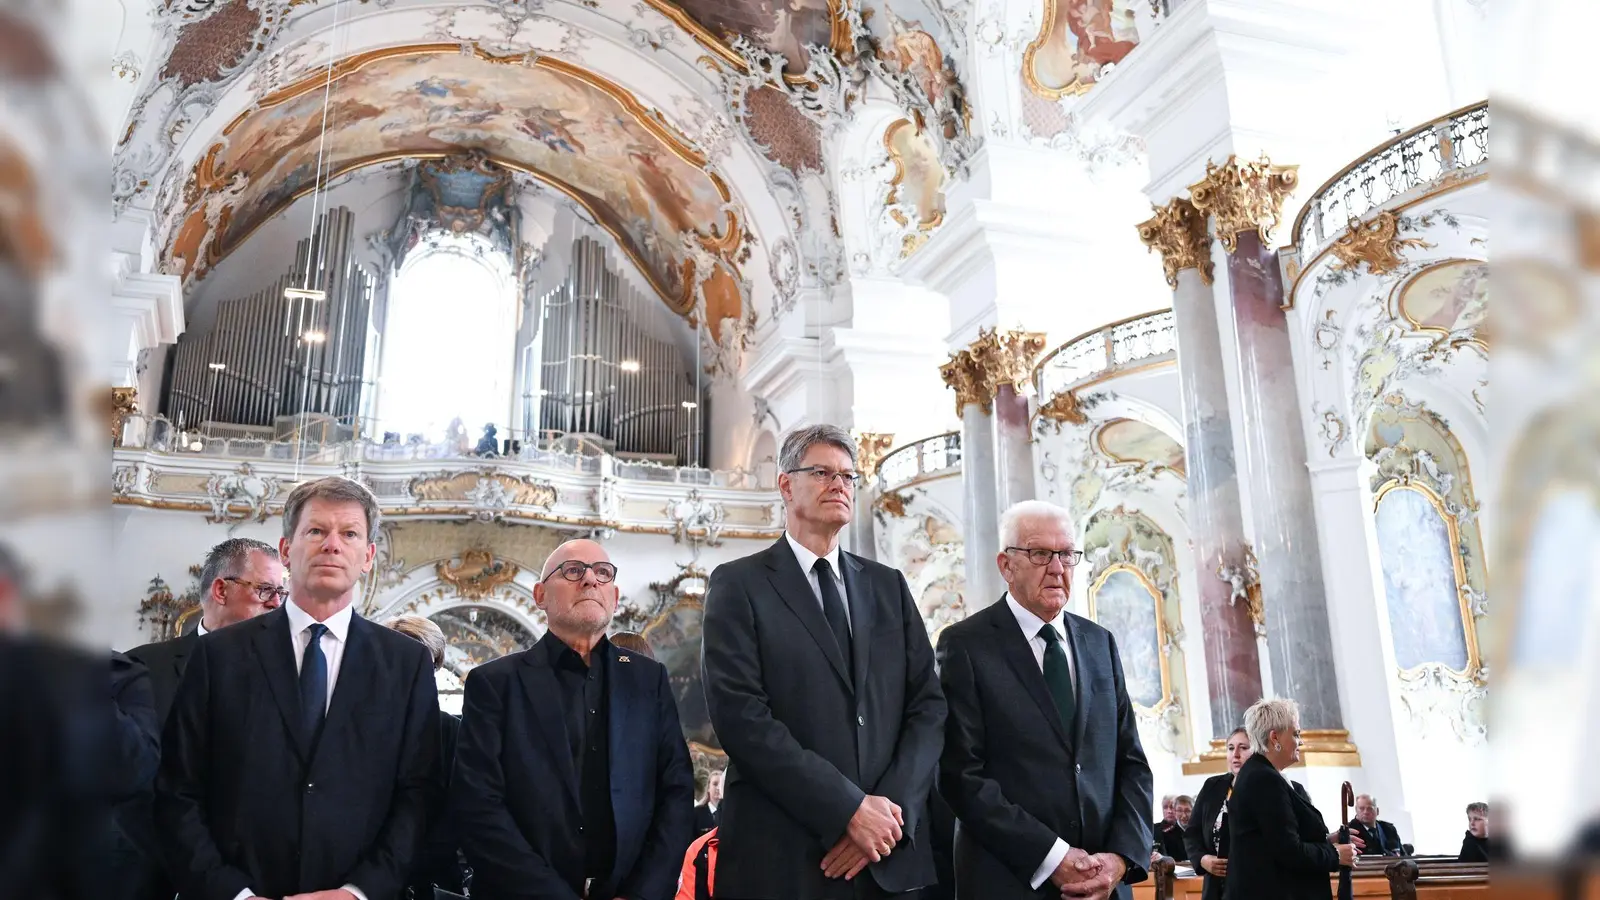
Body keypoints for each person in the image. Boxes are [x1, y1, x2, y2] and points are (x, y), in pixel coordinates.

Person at [156, 476, 440, 900]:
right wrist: (232, 893)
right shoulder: (219, 655)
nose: (332, 544)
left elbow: (418, 795)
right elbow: (178, 789)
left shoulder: (405, 663)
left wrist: (359, 892)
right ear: (287, 549)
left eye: (349, 534)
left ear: (368, 556)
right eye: (316, 531)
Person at [702, 424, 946, 899]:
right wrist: (848, 810)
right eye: (822, 472)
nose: (840, 484)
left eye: (849, 476)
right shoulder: (738, 585)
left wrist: (883, 815)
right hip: (785, 856)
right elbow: (742, 718)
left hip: (888, 861)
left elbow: (928, 707)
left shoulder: (888, 586)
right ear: (786, 484)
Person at [453, 539, 696, 900]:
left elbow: (675, 793)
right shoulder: (495, 683)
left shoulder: (649, 680)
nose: (589, 580)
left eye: (602, 573)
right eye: (572, 571)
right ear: (540, 595)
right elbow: (478, 805)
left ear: (613, 597)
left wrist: (642, 893)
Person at [938, 500, 1154, 900]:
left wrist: (1120, 859)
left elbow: (1132, 762)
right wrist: (1054, 858)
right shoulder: (965, 645)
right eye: (1040, 554)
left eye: (1067, 555)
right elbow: (960, 775)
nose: (1057, 568)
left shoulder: (1099, 642)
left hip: (1104, 886)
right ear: (1006, 565)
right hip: (1010, 882)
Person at [127, 537, 286, 722]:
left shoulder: (289, 673)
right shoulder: (141, 668)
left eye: (281, 594)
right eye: (265, 589)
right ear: (221, 591)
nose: (276, 603)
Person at [1225, 698, 1357, 900]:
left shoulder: (1262, 774)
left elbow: (1274, 838)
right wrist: (1335, 855)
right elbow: (1288, 851)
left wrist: (1326, 840)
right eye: (1296, 734)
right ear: (1275, 738)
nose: (1300, 741)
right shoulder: (1263, 779)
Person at [385, 614, 467, 898]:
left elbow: (461, 814)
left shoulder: (454, 732)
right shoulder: (357, 726)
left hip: (434, 881)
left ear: (436, 666)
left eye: (421, 664)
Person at [1184, 728, 1250, 900]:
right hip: (1215, 888)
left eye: (1243, 747)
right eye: (1230, 748)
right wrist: (1202, 859)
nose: (1235, 754)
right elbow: (1192, 834)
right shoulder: (1212, 786)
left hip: (1252, 886)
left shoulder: (1270, 788)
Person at [695, 769, 724, 836]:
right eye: (715, 784)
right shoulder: (696, 813)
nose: (718, 788)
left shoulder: (729, 813)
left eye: (721, 785)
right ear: (708, 787)